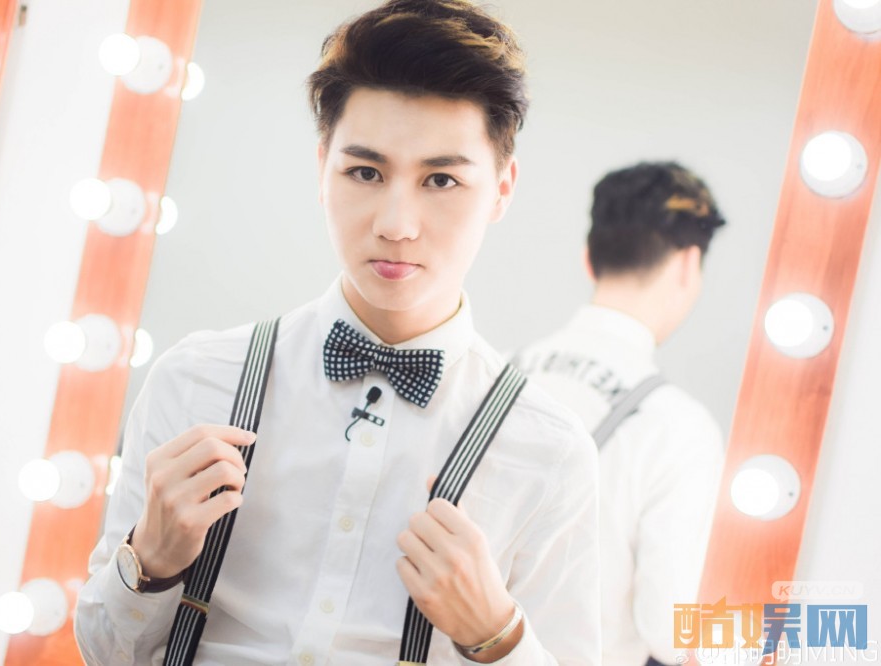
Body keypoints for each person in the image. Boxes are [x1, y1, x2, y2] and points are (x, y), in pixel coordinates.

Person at [74, 1, 601, 664]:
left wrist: (497, 634)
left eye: (441, 179)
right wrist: (148, 562)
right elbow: (103, 652)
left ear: (501, 188)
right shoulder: (196, 381)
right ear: (323, 168)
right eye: (365, 173)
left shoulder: (549, 452)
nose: (397, 224)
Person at [512, 162, 726, 665]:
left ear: (589, 260)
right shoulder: (677, 426)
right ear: (688, 264)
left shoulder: (495, 372)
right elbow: (672, 632)